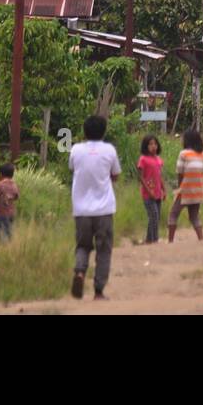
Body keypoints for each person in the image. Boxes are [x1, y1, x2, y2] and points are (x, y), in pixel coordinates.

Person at [70, 115, 121, 300]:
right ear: (104, 131)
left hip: (81, 210)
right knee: (104, 249)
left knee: (82, 246)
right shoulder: (109, 150)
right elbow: (115, 175)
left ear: (84, 131)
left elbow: (73, 169)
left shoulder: (75, 150)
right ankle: (98, 290)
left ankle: (80, 272)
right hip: (104, 209)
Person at [168, 130, 203, 243]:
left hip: (186, 188)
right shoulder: (202, 154)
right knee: (194, 216)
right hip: (198, 189)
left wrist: (180, 189)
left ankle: (170, 241)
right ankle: (201, 240)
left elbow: (180, 172)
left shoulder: (183, 154)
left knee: (173, 214)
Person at [137, 136, 165, 244]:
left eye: (155, 144)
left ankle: (149, 240)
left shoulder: (158, 159)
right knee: (153, 216)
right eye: (150, 144)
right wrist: (149, 191)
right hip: (148, 195)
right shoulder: (143, 159)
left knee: (155, 217)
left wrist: (164, 189)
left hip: (157, 193)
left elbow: (159, 175)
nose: (153, 146)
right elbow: (141, 177)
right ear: (145, 146)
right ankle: (155, 240)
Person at [0, 162, 20, 241]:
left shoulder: (0, 184)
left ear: (0, 174)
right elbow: (17, 196)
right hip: (11, 212)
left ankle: (3, 246)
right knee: (9, 230)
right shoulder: (14, 184)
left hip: (1, 213)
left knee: (1, 231)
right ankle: (9, 245)